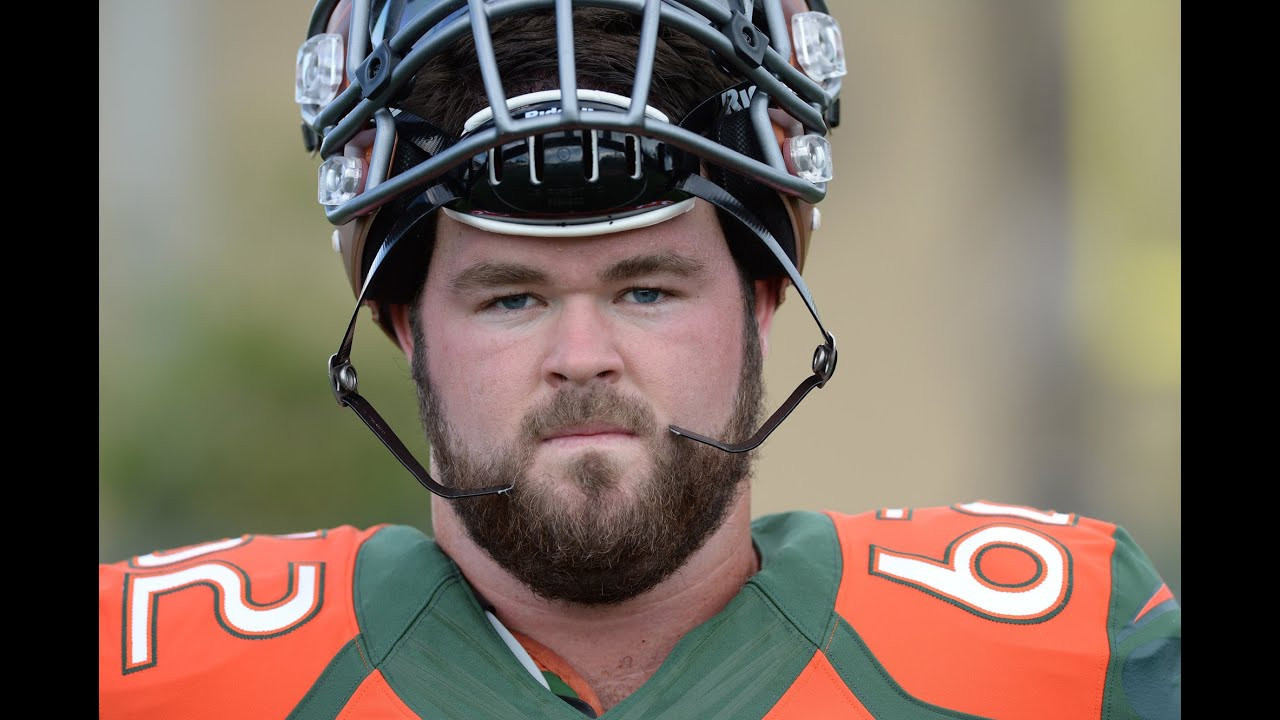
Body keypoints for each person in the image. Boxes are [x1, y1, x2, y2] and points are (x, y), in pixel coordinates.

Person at [98, 1, 1181, 718]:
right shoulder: (150, 672)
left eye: (646, 289)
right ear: (402, 325)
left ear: (763, 298)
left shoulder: (1070, 657)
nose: (583, 357)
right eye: (511, 295)